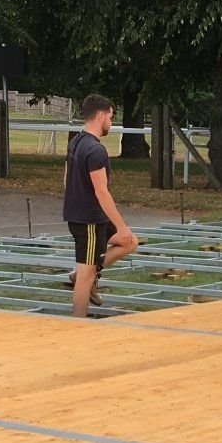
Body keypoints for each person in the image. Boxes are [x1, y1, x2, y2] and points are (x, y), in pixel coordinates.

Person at [63, 94, 138, 317]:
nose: (111, 123)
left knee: (129, 242)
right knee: (86, 277)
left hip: (89, 217)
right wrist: (121, 225)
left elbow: (66, 178)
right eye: (111, 118)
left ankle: (84, 273)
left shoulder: (75, 142)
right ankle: (77, 325)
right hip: (88, 222)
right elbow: (102, 192)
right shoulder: (95, 150)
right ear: (101, 116)